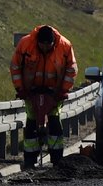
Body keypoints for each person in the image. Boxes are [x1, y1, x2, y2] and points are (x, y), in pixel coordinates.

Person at [10, 24, 78, 168]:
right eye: (42, 45)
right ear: (38, 42)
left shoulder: (65, 46)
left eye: (49, 45)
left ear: (54, 42)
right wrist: (20, 89)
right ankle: (29, 159)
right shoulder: (25, 44)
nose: (46, 48)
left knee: (54, 121)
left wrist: (63, 91)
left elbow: (71, 70)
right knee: (31, 121)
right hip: (30, 91)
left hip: (55, 92)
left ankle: (57, 159)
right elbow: (15, 67)